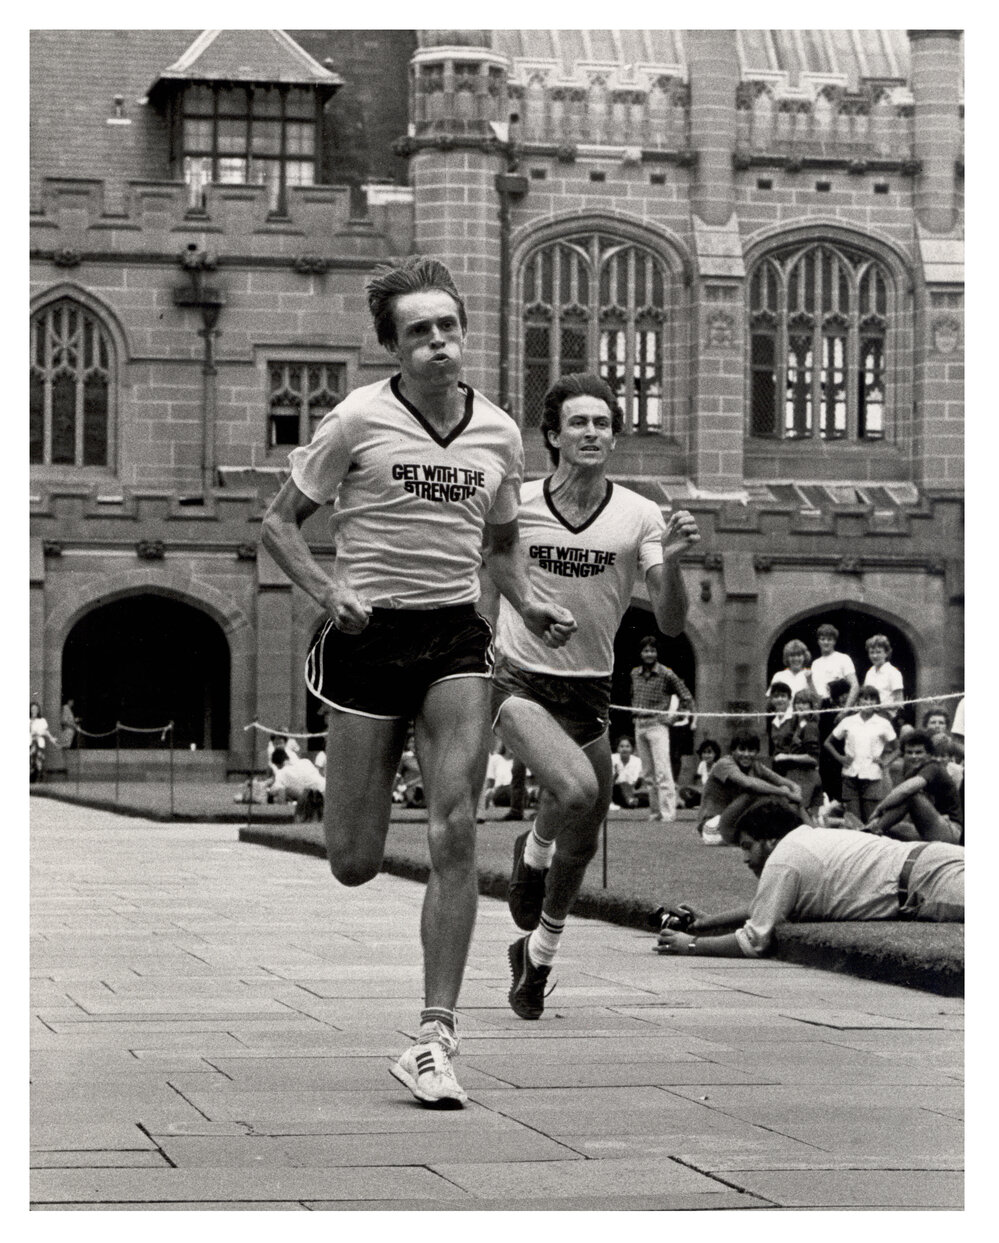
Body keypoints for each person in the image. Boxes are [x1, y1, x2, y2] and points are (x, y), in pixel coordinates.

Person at [260, 256, 574, 1106]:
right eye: (418, 332)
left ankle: (434, 1035)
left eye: (447, 327)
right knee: (355, 861)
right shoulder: (356, 420)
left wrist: (530, 604)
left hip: (452, 638)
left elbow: (502, 542)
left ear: (462, 332)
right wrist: (330, 590)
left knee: (455, 829)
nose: (438, 343)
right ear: (393, 348)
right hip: (367, 636)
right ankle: (369, 817)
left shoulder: (501, 434)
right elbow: (277, 523)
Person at [490, 372, 700, 1020]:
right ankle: (529, 855)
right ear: (551, 434)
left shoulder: (639, 514)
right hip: (517, 678)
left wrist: (677, 559)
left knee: (583, 835)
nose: (591, 433)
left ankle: (537, 957)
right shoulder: (516, 502)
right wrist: (520, 608)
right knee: (576, 789)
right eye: (578, 422)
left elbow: (667, 619)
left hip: (588, 689)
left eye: (602, 423)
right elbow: (491, 565)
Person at [655, 799, 963, 959]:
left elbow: (753, 943)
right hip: (930, 863)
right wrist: (707, 922)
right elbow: (767, 907)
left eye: (749, 847)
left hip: (930, 880)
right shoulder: (800, 842)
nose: (746, 859)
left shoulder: (784, 860)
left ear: (771, 841)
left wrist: (691, 944)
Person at [697, 729, 806, 845]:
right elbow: (748, 784)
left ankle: (807, 832)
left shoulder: (756, 766)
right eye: (742, 749)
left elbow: (790, 784)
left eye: (751, 750)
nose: (746, 754)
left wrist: (795, 795)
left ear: (757, 752)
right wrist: (785, 793)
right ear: (733, 751)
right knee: (756, 792)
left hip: (734, 826)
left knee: (775, 799)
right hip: (712, 827)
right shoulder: (724, 763)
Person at [629, 637, 695, 822]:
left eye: (652, 651)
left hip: (658, 725)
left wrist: (674, 717)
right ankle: (655, 812)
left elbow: (686, 697)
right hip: (640, 724)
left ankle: (668, 813)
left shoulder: (667, 674)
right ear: (641, 653)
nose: (649, 654)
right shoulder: (634, 673)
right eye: (645, 651)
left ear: (657, 653)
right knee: (648, 773)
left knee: (662, 771)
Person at [863, 730, 963, 845]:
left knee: (912, 795)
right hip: (928, 828)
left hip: (951, 831)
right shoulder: (911, 773)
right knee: (891, 828)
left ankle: (870, 833)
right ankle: (870, 829)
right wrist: (881, 818)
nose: (914, 756)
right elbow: (900, 804)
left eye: (919, 752)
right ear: (903, 755)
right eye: (909, 753)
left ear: (928, 754)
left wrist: (879, 808)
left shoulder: (933, 767)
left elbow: (905, 791)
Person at [825, 686, 897, 822]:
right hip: (850, 775)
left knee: (870, 819)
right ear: (858, 701)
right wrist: (840, 758)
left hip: (872, 775)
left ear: (877, 703)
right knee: (854, 820)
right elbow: (828, 743)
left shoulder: (883, 723)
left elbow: (898, 748)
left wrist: (885, 761)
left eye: (872, 699)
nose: (868, 702)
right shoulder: (848, 721)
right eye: (865, 699)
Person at [773, 689, 823, 817]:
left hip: (805, 777)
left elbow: (813, 758)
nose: (800, 706)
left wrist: (787, 757)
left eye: (805, 703)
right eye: (798, 702)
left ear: (812, 706)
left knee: (798, 815)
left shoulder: (810, 727)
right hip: (799, 775)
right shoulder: (798, 725)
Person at [817, 675, 853, 804]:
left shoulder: (850, 710)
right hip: (828, 750)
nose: (844, 697)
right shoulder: (827, 706)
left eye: (847, 693)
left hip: (843, 750)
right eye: (841, 694)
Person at [809, 623, 859, 707]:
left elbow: (855, 686)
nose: (826, 642)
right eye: (822, 639)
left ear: (834, 641)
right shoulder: (815, 663)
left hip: (839, 705)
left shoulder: (843, 658)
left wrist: (845, 710)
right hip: (820, 707)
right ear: (818, 641)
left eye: (829, 639)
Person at [269, 746, 325, 820]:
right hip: (326, 788)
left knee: (280, 793)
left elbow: (277, 791)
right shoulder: (306, 761)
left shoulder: (281, 773)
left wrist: (269, 791)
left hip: (315, 798)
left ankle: (283, 818)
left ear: (277, 765)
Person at [862, 634, 904, 721]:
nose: (875, 656)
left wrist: (879, 707)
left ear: (886, 653)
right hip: (868, 714)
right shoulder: (869, 672)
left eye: (878, 652)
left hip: (886, 715)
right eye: (872, 652)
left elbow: (899, 703)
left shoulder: (894, 673)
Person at [678, 738, 721, 809]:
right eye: (704, 752)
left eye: (709, 752)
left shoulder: (718, 766)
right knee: (684, 791)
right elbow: (700, 780)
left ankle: (693, 805)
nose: (706, 755)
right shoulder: (702, 764)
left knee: (692, 801)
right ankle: (696, 804)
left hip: (715, 796)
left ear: (715, 754)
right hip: (704, 794)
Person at [611, 736, 646, 809]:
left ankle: (630, 802)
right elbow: (609, 781)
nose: (624, 749)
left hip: (632, 789)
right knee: (623, 784)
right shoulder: (612, 759)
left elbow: (635, 781)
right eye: (621, 746)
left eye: (627, 746)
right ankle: (631, 801)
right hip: (615, 789)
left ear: (632, 749)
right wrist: (616, 774)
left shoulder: (637, 761)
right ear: (617, 749)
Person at [29, 700, 60, 782]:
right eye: (32, 709)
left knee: (39, 762)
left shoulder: (42, 721)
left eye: (35, 709)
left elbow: (46, 732)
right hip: (29, 743)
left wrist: (52, 738)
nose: (34, 711)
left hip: (39, 744)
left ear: (38, 710)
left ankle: (38, 779)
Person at [765, 680, 795, 760]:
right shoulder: (772, 721)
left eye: (783, 696)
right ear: (771, 699)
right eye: (776, 696)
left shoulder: (795, 718)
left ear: (789, 699)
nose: (779, 699)